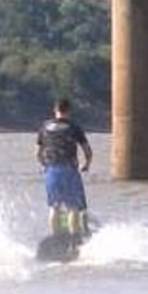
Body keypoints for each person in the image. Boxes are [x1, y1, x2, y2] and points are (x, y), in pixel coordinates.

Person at [35, 98, 93, 235]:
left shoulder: (44, 127)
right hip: (69, 170)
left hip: (51, 170)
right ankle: (74, 236)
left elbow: (38, 154)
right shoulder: (74, 127)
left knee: (54, 207)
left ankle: (56, 237)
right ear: (69, 111)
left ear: (55, 110)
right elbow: (88, 152)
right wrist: (86, 165)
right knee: (73, 207)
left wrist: (45, 165)